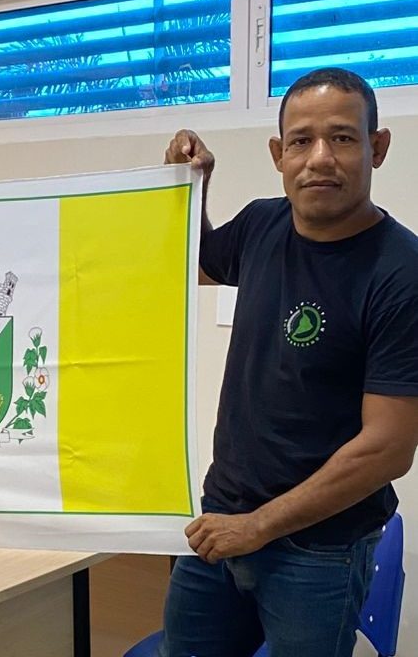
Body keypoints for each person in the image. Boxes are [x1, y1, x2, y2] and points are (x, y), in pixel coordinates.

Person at [161, 67, 418, 656]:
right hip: (220, 521)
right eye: (301, 140)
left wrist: (257, 527)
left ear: (377, 148)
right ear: (279, 155)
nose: (320, 158)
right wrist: (189, 186)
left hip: (318, 550)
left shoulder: (402, 275)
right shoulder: (262, 222)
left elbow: (388, 449)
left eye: (343, 138)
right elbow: (194, 262)